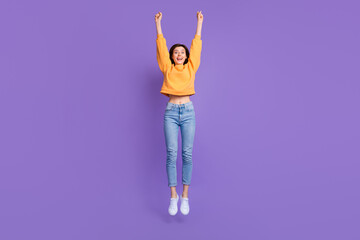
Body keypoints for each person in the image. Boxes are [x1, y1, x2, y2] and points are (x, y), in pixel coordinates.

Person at [154, 10, 203, 216]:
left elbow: (197, 47)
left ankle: (185, 196)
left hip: (189, 112)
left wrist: (199, 23)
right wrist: (158, 25)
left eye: (182, 51)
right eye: (176, 52)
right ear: (172, 57)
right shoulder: (167, 68)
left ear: (186, 56)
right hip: (171, 113)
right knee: (172, 154)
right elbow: (161, 48)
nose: (180, 54)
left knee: (187, 154)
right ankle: (173, 196)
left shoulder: (192, 67)